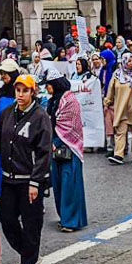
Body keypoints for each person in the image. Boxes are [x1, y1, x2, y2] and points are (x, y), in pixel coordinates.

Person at [0, 74, 52, 264]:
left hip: (29, 180)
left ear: (32, 92)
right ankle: (29, 254)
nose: (20, 94)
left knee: (31, 224)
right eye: (18, 90)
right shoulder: (8, 113)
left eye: (25, 91)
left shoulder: (40, 117)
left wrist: (36, 182)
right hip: (9, 178)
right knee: (7, 220)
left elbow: (44, 152)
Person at [44, 69, 87, 232]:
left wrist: (56, 141)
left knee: (70, 184)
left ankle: (72, 221)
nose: (47, 88)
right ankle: (64, 216)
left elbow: (69, 127)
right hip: (55, 147)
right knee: (58, 183)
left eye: (48, 85)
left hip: (70, 146)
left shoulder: (70, 101)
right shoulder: (52, 101)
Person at [105, 53, 132, 164]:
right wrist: (107, 102)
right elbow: (111, 90)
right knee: (120, 132)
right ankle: (118, 155)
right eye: (129, 61)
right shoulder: (117, 75)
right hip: (121, 108)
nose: (131, 63)